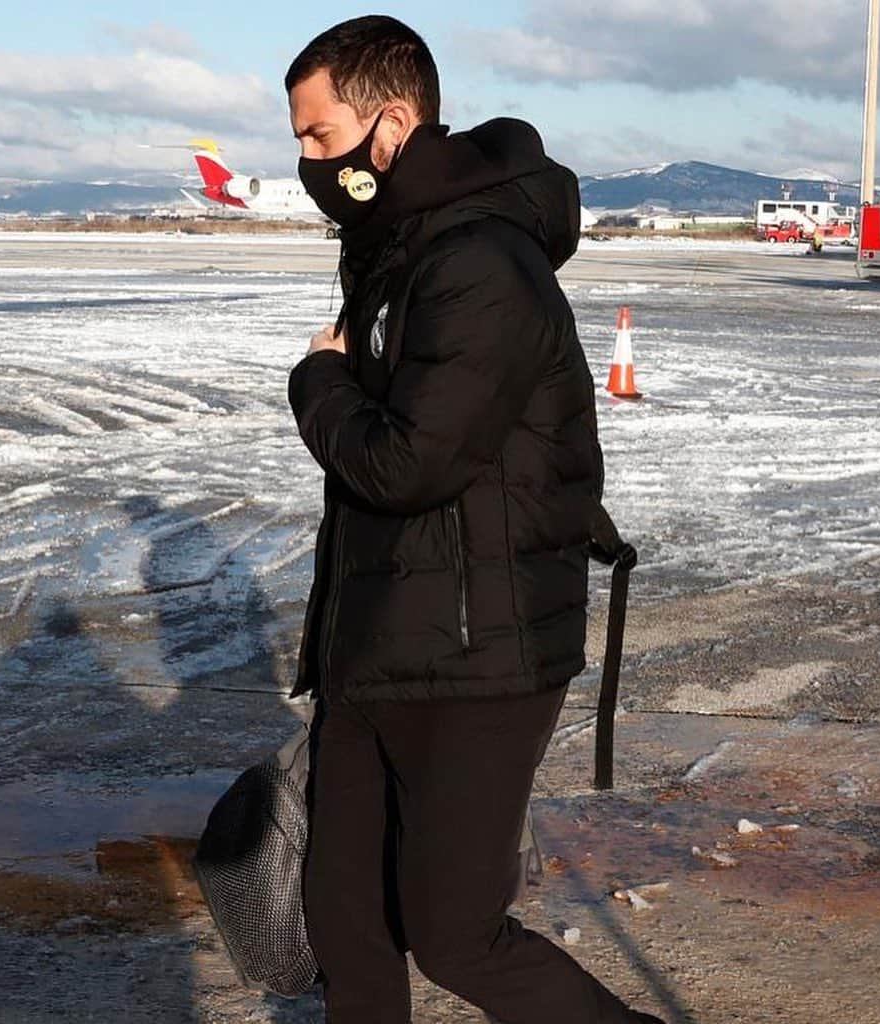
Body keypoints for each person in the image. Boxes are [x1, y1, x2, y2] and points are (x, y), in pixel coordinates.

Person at [284, 15, 667, 1024]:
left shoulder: (481, 264)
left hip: (475, 655)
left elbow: (406, 461)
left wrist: (317, 383)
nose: (307, 162)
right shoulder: (397, 250)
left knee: (454, 934)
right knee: (346, 927)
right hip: (383, 645)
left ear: (393, 122)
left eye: (319, 136)